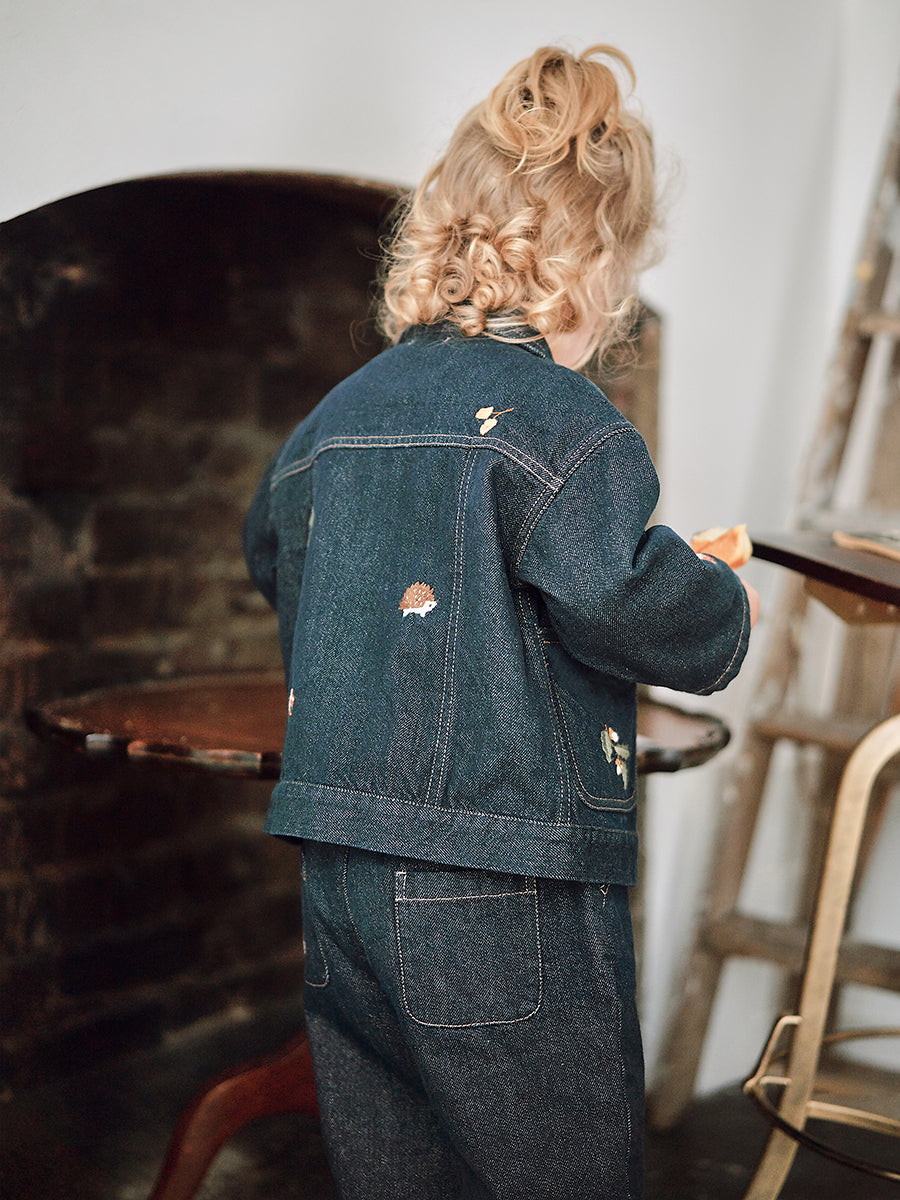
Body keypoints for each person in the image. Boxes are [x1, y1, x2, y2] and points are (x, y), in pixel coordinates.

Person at [243, 43, 757, 1200]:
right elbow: (620, 595)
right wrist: (720, 598)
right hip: (501, 876)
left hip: (339, 867)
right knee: (559, 1167)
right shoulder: (568, 426)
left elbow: (270, 545)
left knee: (393, 1165)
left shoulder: (337, 414)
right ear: (590, 267)